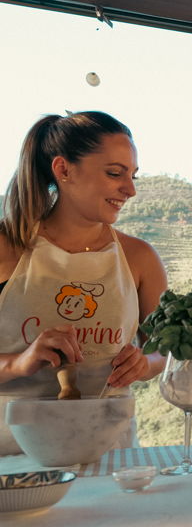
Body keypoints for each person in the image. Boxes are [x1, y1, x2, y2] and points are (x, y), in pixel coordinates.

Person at [0, 112, 168, 453]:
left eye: (133, 176)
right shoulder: (6, 246)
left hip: (109, 447)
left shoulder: (140, 258)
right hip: (13, 452)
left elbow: (164, 351)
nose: (131, 189)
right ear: (63, 170)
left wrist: (144, 363)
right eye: (114, 173)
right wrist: (20, 362)